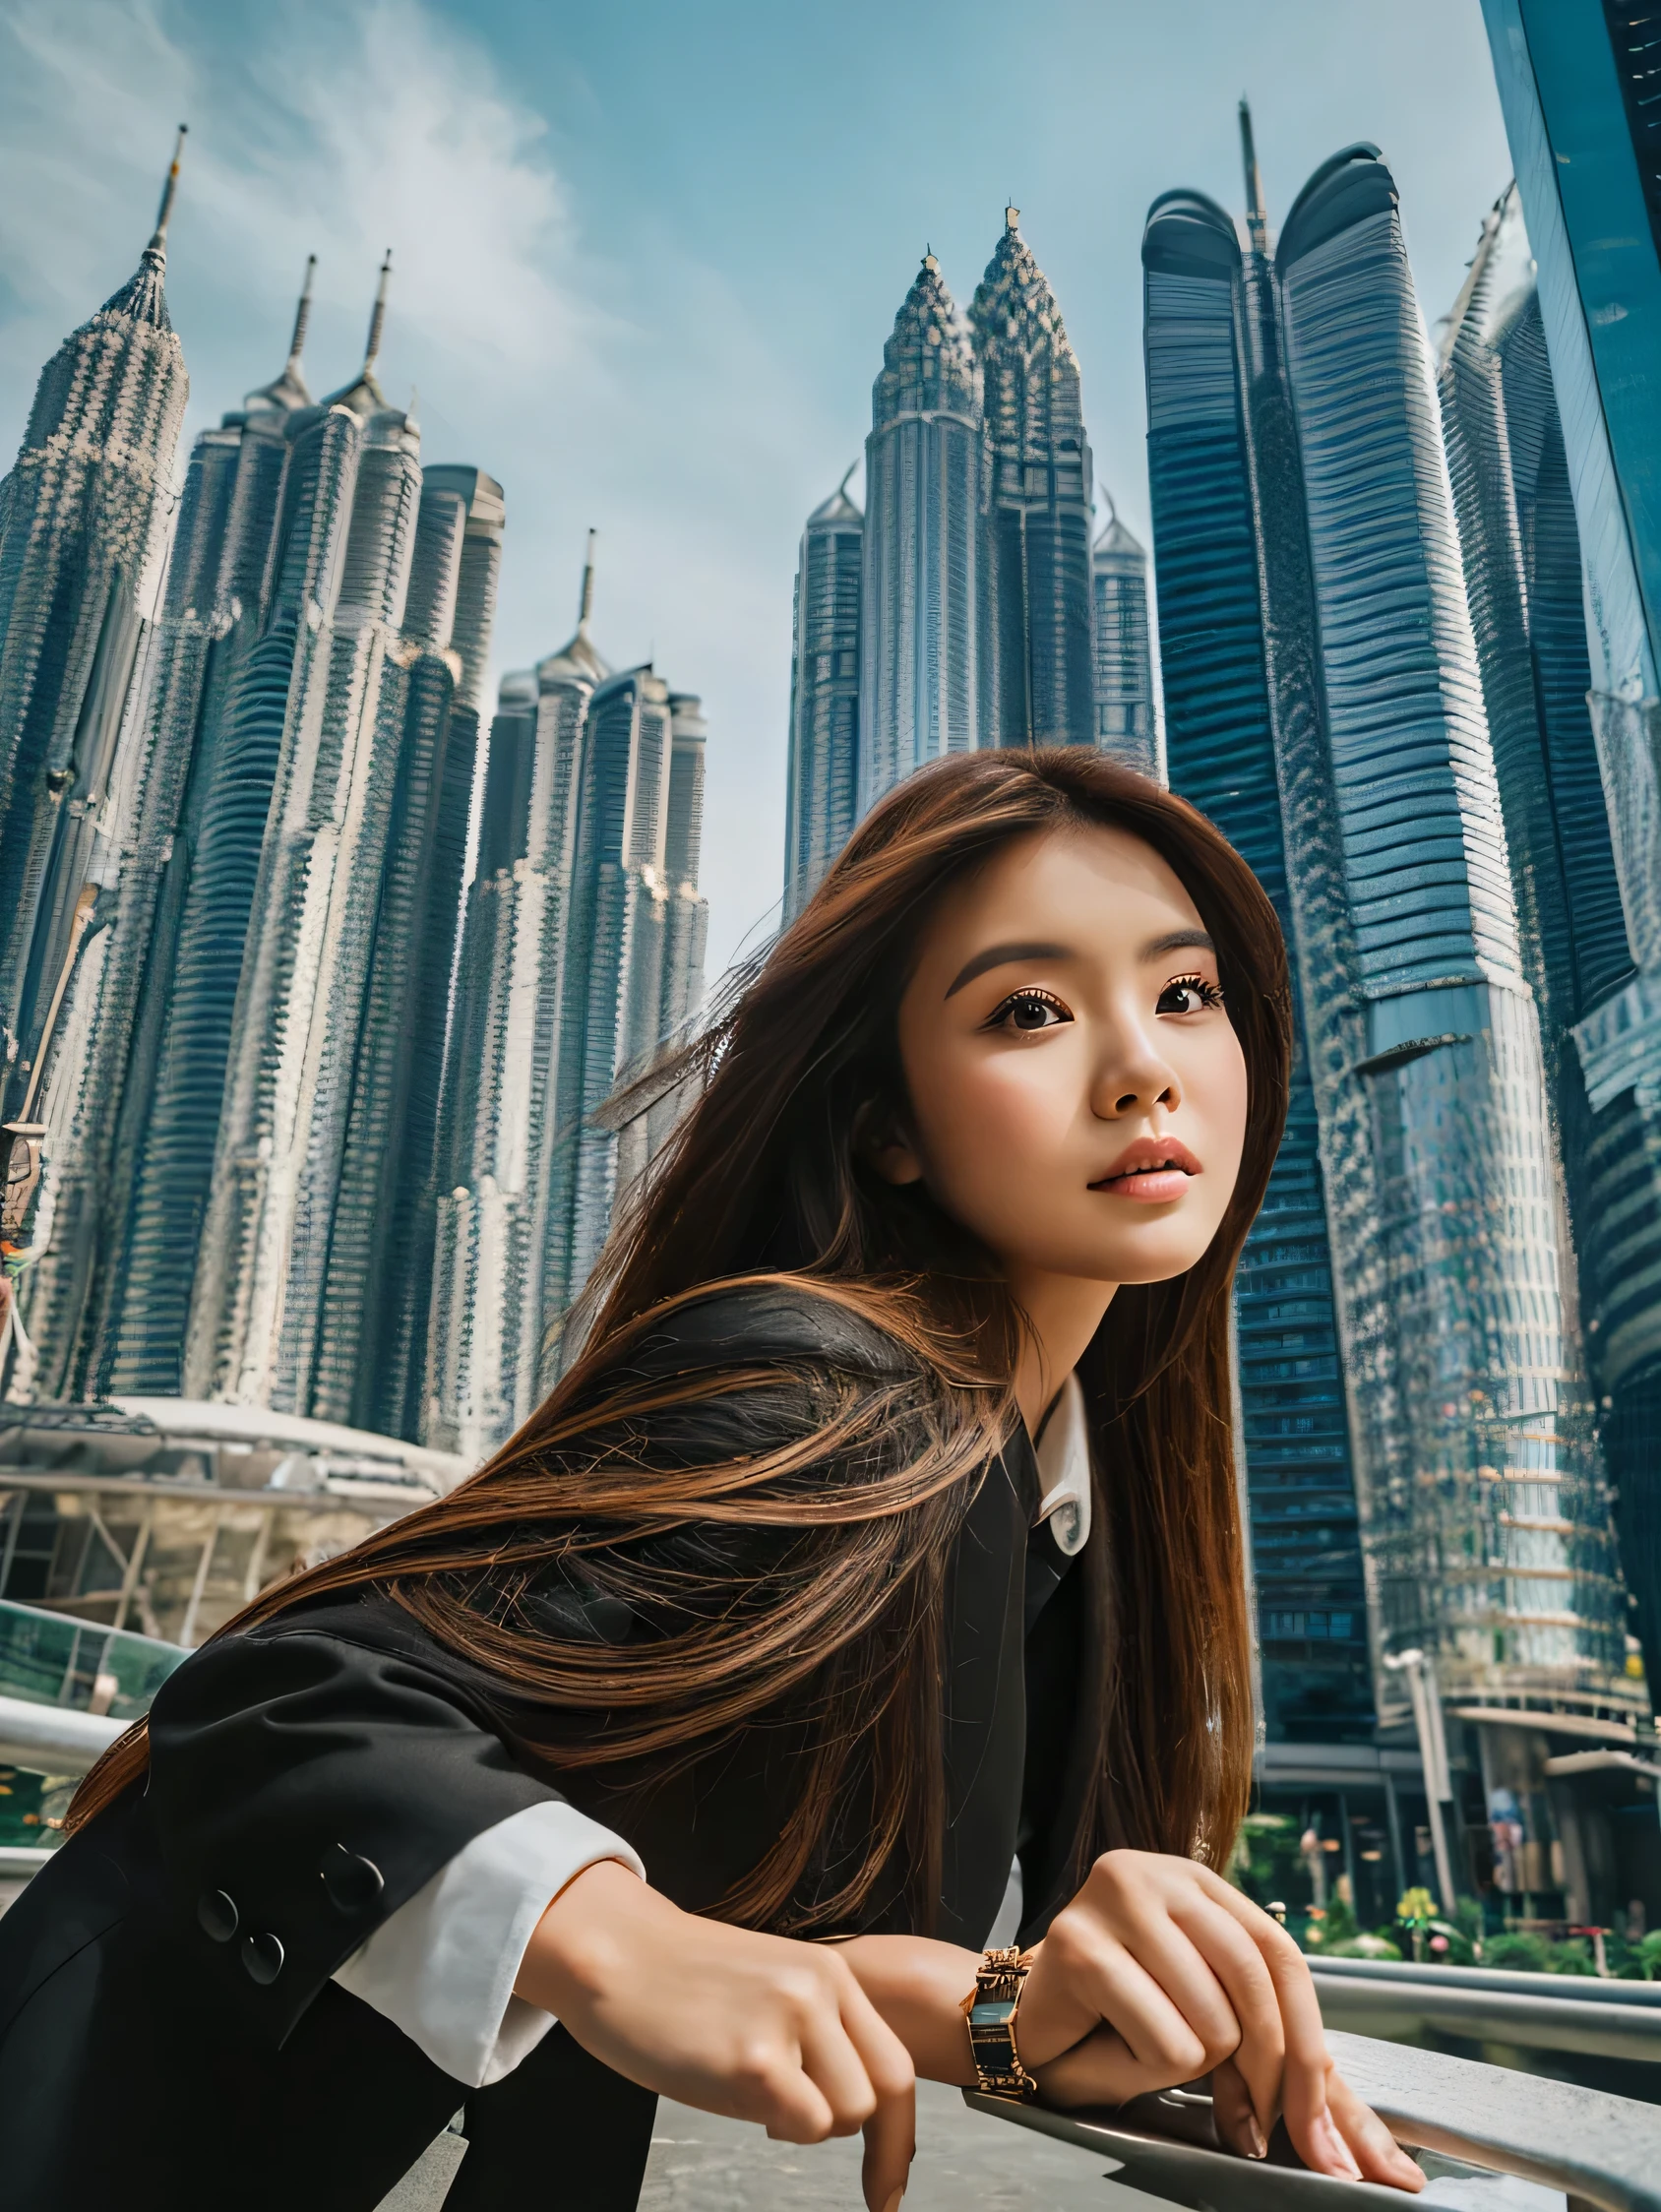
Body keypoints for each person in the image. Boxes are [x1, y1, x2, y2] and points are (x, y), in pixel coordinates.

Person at [0, 748, 1424, 2211]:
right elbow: (280, 1697)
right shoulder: (828, 1391)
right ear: (889, 1127)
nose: (1141, 1064)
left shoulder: (1058, 1499)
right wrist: (616, 1936)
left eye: (1184, 993)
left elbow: (779, 1939)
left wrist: (1018, 2013)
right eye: (1031, 1011)